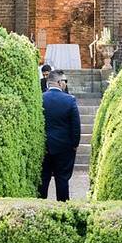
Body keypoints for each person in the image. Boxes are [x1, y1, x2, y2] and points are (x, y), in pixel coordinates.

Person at [38, 70, 80, 201]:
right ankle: (63, 209)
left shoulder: (40, 99)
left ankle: (38, 209)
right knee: (62, 180)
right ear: (59, 83)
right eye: (65, 81)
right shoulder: (69, 100)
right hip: (64, 148)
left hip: (43, 147)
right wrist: (74, 145)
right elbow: (76, 127)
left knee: (42, 181)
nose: (65, 84)